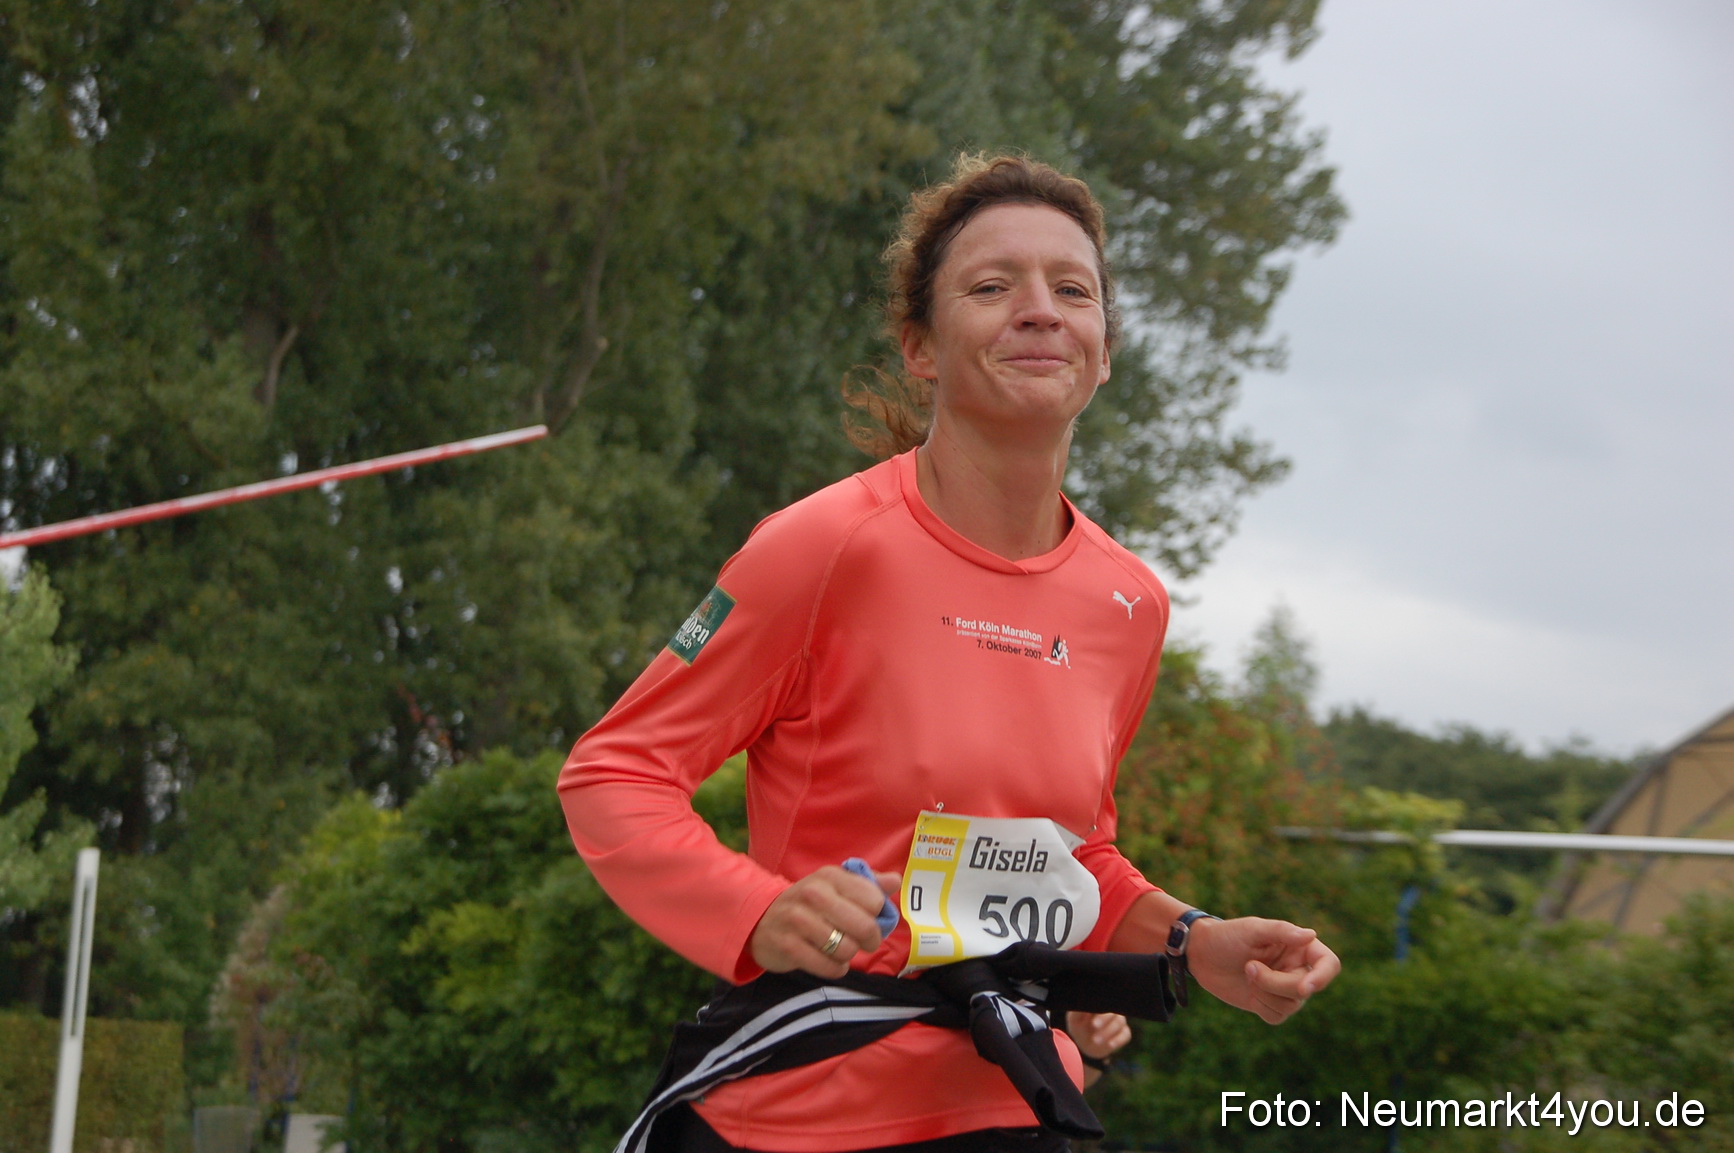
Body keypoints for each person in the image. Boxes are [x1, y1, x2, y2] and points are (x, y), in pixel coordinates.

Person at [558, 153, 1340, 1153]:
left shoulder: (1129, 602)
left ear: (1104, 351)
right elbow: (614, 773)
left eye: (1074, 290)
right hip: (807, 1108)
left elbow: (1075, 860)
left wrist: (1196, 941)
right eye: (992, 286)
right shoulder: (823, 547)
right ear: (920, 347)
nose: (1040, 310)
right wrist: (755, 909)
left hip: (1017, 1098)